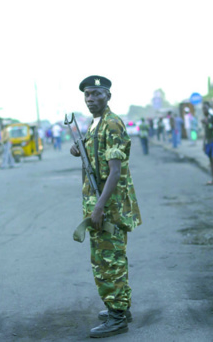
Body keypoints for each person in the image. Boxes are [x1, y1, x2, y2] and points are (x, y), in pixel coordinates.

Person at [70, 75, 141, 338]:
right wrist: (79, 150)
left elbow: (115, 170)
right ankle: (120, 307)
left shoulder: (112, 124)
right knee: (109, 258)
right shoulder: (95, 124)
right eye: (87, 94)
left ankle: (117, 317)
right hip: (99, 204)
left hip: (107, 207)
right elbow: (98, 158)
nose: (91, 99)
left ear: (108, 96)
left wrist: (99, 207)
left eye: (96, 94)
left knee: (108, 261)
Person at [202, 101, 213, 185]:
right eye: (203, 109)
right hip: (208, 142)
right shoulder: (205, 118)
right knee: (210, 160)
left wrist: (207, 123)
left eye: (205, 108)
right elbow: (205, 132)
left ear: (209, 108)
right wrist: (203, 144)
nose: (204, 110)